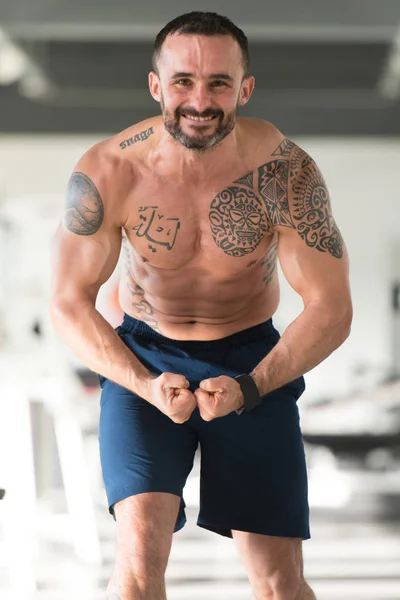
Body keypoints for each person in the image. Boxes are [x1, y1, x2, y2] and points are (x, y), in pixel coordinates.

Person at [50, 11, 352, 600]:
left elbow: (330, 309)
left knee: (278, 584)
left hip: (250, 358)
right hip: (144, 352)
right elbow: (68, 303)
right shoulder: (108, 171)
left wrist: (253, 385)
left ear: (245, 89)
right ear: (156, 86)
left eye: (219, 82)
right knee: (136, 571)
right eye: (183, 81)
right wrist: (142, 384)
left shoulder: (284, 173)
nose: (200, 99)